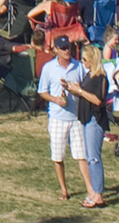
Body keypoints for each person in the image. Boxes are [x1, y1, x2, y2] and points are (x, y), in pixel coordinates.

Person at [36, 36, 87, 202]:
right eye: (63, 48)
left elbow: (85, 89)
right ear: (55, 50)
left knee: (82, 155)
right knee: (58, 156)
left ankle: (90, 189)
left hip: (76, 118)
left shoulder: (78, 66)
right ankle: (64, 189)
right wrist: (55, 99)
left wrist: (75, 90)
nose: (67, 51)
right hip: (58, 118)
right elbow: (42, 91)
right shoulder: (49, 68)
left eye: (69, 47)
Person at [64, 45, 111, 208]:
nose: (82, 62)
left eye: (84, 59)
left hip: (95, 119)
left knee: (93, 157)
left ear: (92, 60)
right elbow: (84, 93)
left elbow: (98, 100)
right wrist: (72, 88)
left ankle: (98, 194)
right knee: (89, 156)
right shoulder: (88, 76)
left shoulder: (100, 78)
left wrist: (80, 91)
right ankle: (94, 192)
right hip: (86, 118)